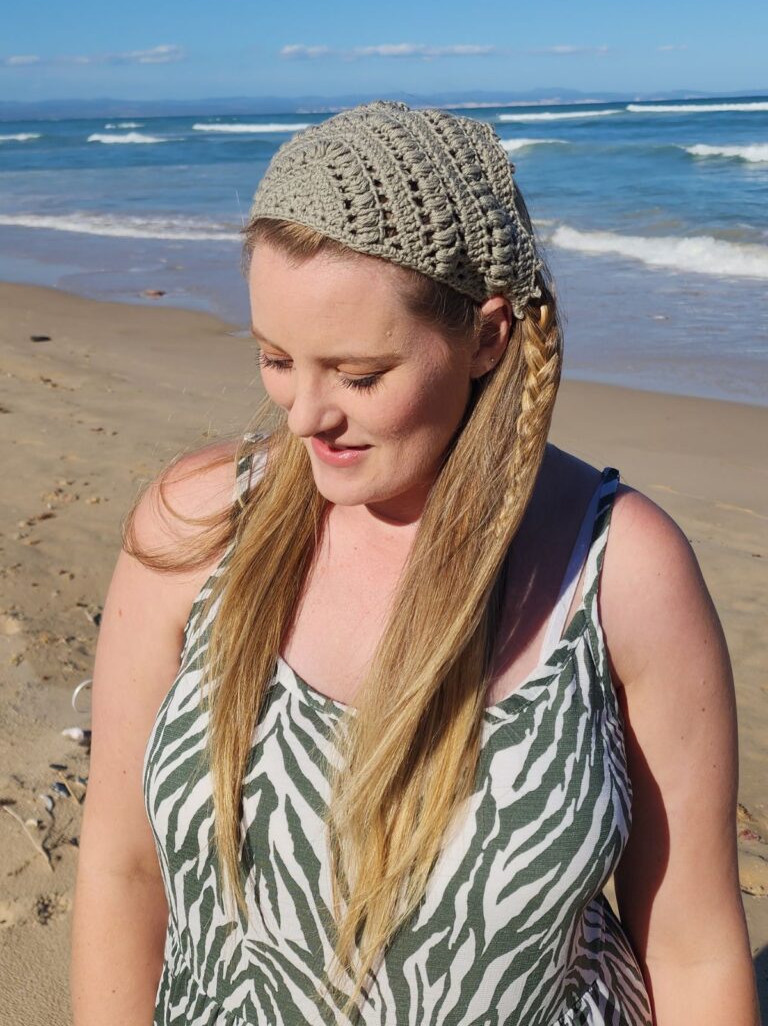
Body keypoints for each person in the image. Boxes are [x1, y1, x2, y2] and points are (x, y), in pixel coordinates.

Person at [70, 101, 758, 1025]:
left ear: (487, 336)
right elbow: (120, 869)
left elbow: (692, 941)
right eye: (276, 359)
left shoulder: (620, 569)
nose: (304, 414)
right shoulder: (195, 531)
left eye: (358, 376)